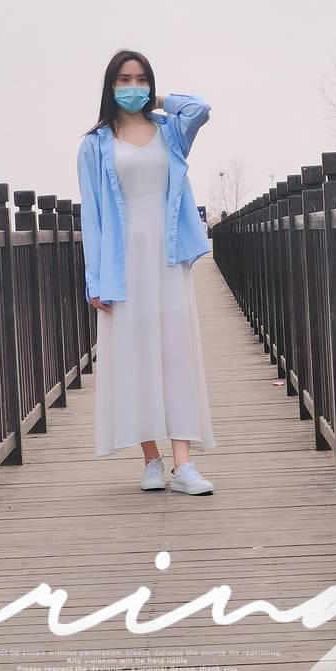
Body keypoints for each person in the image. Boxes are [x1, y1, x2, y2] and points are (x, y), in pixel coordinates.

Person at [76, 49, 217, 496]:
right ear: (110, 85)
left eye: (140, 79)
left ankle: (184, 464)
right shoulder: (95, 145)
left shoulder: (169, 131)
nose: (132, 86)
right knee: (135, 355)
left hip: (168, 257)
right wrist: (95, 280)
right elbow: (92, 217)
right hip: (123, 263)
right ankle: (151, 459)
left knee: (176, 353)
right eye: (124, 79)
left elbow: (200, 108)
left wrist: (156, 100)